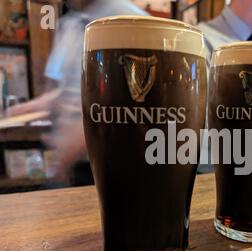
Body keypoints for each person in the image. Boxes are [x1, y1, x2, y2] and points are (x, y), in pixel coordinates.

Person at [7, 0, 147, 181]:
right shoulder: (68, 25)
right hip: (77, 163)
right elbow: (67, 91)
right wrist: (31, 107)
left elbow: (130, 99)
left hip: (116, 162)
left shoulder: (131, 19)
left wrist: (74, 145)